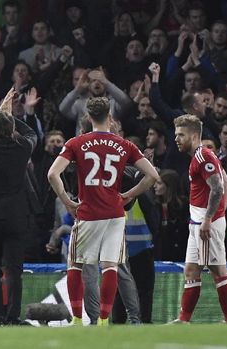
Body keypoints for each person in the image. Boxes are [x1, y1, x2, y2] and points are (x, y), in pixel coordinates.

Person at [47, 96, 159, 326]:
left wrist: (67, 200)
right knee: (110, 266)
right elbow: (153, 176)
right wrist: (129, 194)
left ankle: (78, 319)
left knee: (75, 265)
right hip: (115, 215)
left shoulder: (76, 143)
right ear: (110, 117)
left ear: (88, 117)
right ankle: (104, 321)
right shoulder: (125, 145)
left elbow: (52, 174)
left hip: (88, 213)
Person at [0, 88, 38, 325]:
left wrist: (0, 111)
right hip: (15, 215)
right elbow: (31, 133)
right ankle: (12, 317)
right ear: (12, 130)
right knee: (14, 271)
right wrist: (12, 118)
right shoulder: (22, 148)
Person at [171, 114, 227, 323]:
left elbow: (217, 188)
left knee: (218, 271)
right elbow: (226, 185)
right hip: (198, 223)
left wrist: (210, 219)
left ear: (194, 135)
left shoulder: (203, 156)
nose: (177, 139)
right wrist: (217, 215)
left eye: (181, 134)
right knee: (191, 270)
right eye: (176, 134)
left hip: (204, 224)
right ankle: (183, 320)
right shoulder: (202, 156)